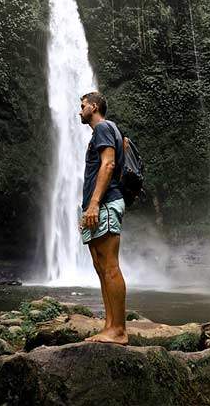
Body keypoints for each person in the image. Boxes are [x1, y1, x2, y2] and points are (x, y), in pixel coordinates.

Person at [78, 91, 128, 345]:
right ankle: (110, 325)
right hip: (96, 204)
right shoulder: (110, 130)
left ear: (94, 107)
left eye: (83, 106)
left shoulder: (104, 128)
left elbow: (108, 165)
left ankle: (118, 330)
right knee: (100, 266)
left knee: (109, 266)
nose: (80, 111)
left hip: (104, 203)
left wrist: (95, 203)